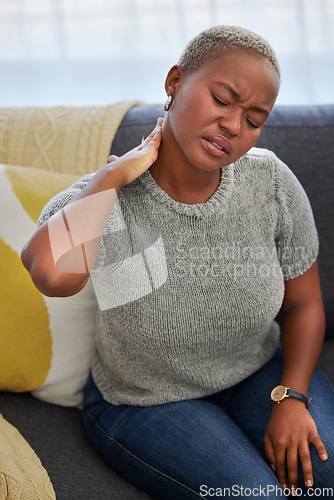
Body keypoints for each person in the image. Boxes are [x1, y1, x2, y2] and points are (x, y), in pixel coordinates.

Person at [21, 26, 334, 499]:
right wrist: (111, 177)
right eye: (223, 99)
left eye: (254, 118)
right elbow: (49, 273)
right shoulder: (106, 197)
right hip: (143, 401)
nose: (233, 125)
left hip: (259, 372)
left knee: (324, 479)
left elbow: (305, 304)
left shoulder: (269, 182)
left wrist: (292, 396)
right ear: (174, 82)